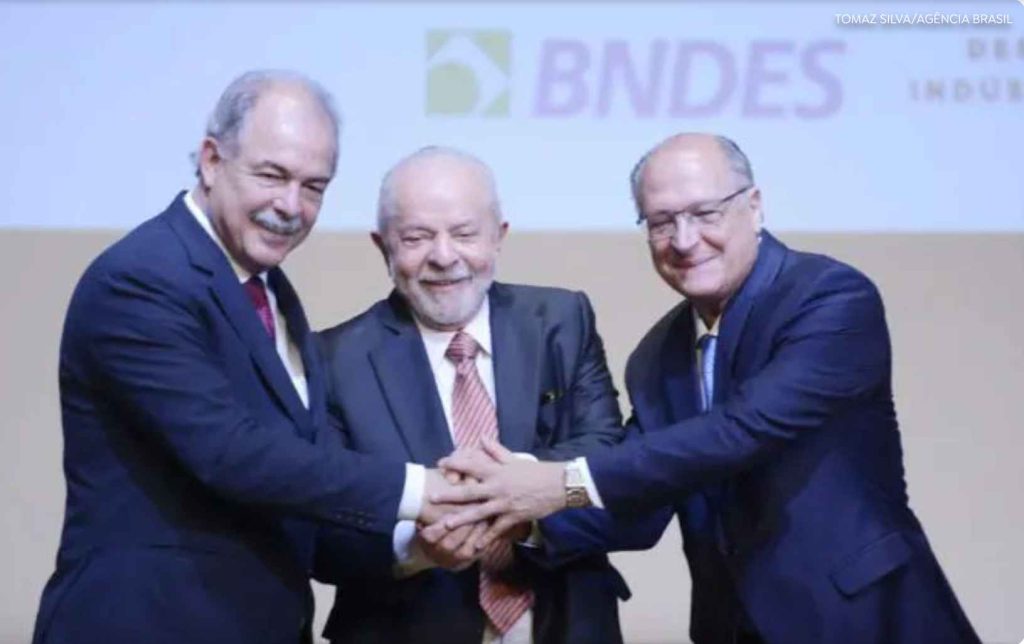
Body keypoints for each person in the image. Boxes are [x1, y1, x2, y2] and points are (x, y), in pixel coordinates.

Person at [429, 134, 980, 644]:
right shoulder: (658, 355)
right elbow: (640, 502)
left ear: (754, 206)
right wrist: (513, 513)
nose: (685, 240)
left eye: (705, 213)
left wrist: (559, 481)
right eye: (662, 222)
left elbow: (742, 431)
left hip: (867, 619)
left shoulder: (829, 297)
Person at [32, 70, 453, 644]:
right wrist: (423, 489)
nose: (291, 205)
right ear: (211, 160)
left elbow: (294, 490)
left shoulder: (268, 290)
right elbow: (231, 454)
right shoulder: (142, 278)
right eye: (272, 175)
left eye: (314, 186)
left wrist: (420, 546)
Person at [312, 147, 662, 644]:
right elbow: (322, 528)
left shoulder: (561, 320)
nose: (443, 256)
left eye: (464, 233)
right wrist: (419, 547)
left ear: (499, 235)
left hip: (562, 621)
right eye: (416, 237)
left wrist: (514, 497)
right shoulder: (332, 359)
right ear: (381, 245)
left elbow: (606, 459)